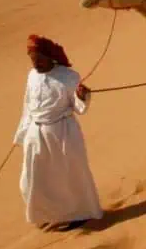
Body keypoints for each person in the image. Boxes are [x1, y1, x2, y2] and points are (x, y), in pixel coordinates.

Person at [14, 35, 103, 231]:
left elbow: (79, 108)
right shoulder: (32, 76)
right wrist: (22, 133)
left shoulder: (69, 77)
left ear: (49, 57)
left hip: (62, 132)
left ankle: (80, 214)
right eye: (32, 59)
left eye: (39, 58)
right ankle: (46, 214)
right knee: (32, 178)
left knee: (69, 176)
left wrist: (82, 96)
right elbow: (28, 105)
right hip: (36, 134)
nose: (35, 63)